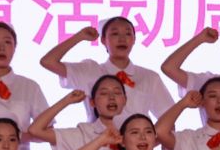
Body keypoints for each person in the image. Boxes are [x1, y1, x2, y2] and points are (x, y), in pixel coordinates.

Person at [39, 17, 174, 124]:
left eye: (128, 33)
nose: (122, 39)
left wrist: (148, 143)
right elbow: (48, 62)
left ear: (134, 40)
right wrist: (79, 37)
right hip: (97, 147)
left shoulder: (149, 77)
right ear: (103, 40)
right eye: (115, 34)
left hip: (137, 149)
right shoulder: (90, 70)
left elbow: (168, 118)